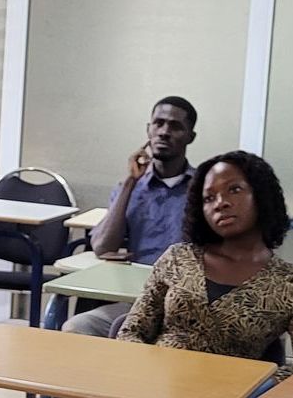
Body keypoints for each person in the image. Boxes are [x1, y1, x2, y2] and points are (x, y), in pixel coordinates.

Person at [64, 150, 293, 398]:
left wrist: (248, 392)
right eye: (209, 197)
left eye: (234, 190)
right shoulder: (178, 258)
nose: (220, 202)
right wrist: (149, 392)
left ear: (261, 195)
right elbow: (132, 330)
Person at [63, 96, 197, 337]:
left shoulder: (204, 190)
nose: (164, 132)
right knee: (77, 327)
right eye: (158, 123)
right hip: (133, 299)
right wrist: (131, 182)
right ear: (148, 130)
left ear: (190, 137)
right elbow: (103, 247)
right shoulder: (131, 187)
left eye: (175, 126)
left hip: (184, 302)